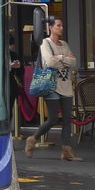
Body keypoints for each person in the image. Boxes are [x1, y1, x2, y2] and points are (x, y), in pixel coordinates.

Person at [25, 17, 81, 161]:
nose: (61, 28)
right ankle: (33, 139)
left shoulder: (64, 44)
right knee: (53, 118)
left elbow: (74, 62)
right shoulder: (45, 43)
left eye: (62, 25)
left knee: (68, 118)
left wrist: (60, 57)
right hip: (51, 85)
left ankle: (67, 150)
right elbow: (49, 62)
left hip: (66, 86)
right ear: (51, 28)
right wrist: (64, 60)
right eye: (58, 25)